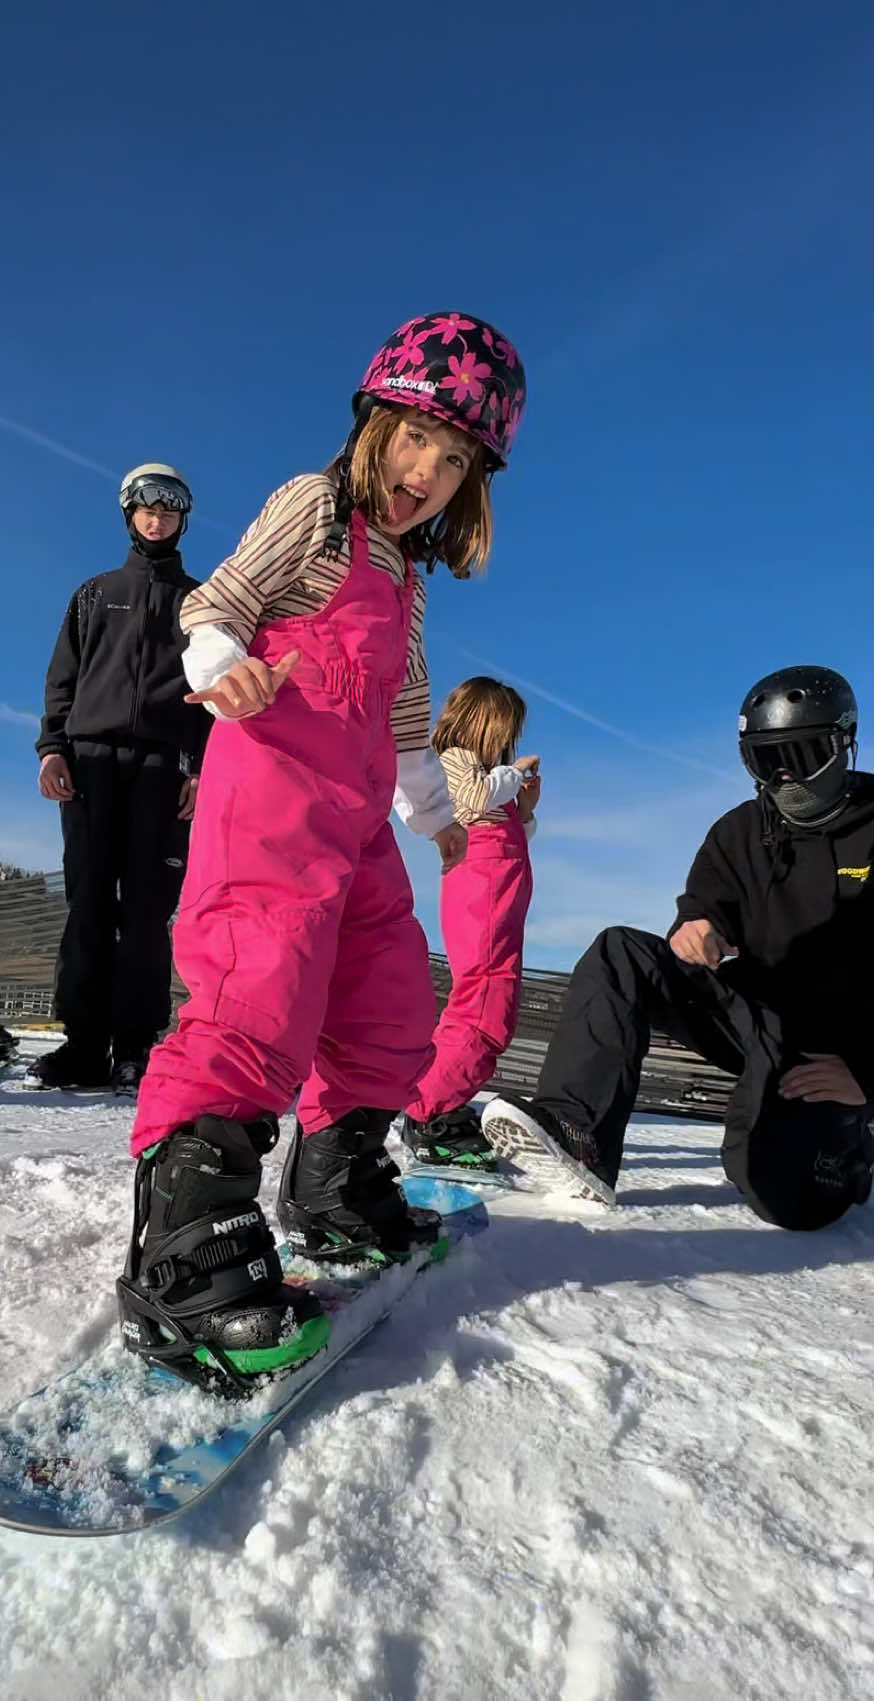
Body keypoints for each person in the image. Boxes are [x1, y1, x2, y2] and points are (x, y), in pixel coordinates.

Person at [115, 312, 527, 1391]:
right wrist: (219, 659)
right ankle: (184, 1252)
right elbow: (220, 602)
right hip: (270, 794)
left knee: (389, 1002)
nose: (424, 473)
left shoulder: (406, 579)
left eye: (451, 464)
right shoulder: (316, 512)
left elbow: (405, 711)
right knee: (257, 992)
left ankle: (334, 1186)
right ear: (373, 424)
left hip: (355, 822)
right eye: (412, 442)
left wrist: (435, 818)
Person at [482, 665, 874, 1231]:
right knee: (621, 953)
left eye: (803, 754)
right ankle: (578, 1134)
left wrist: (866, 1075)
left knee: (784, 1197)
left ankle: (853, 1144)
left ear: (842, 745)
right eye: (766, 761)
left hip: (832, 1050)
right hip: (750, 1017)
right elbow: (704, 903)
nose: (784, 776)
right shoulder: (740, 831)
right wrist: (696, 925)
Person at [33, 464, 210, 1095]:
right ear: (129, 514)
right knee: (88, 905)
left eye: (170, 508)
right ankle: (82, 1044)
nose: (157, 518)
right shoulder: (93, 593)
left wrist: (204, 768)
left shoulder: (202, 602)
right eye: (145, 508)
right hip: (90, 762)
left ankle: (135, 1045)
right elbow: (63, 678)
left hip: (166, 768)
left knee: (147, 911)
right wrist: (53, 749)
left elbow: (213, 693)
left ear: (183, 516)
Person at [400, 676, 540, 1167]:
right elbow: (474, 798)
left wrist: (524, 810)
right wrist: (514, 776)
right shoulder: (457, 759)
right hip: (482, 888)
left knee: (483, 997)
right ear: (486, 724)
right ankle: (428, 1112)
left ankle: (442, 1098)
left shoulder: (485, 772)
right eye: (506, 733)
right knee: (484, 1005)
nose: (509, 745)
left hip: (499, 895)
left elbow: (500, 818)